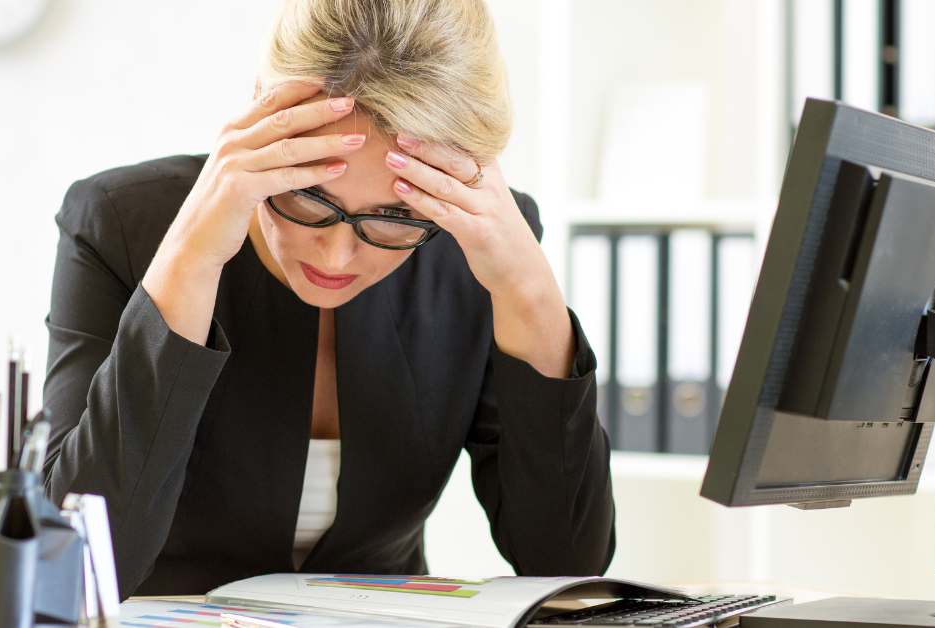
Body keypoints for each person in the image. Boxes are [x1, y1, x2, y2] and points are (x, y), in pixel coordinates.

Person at [42, 0, 615, 598]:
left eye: (395, 217)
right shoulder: (118, 223)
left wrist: (529, 289)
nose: (335, 258)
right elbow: (73, 570)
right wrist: (190, 261)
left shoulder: (477, 242)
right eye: (310, 197)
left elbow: (566, 564)